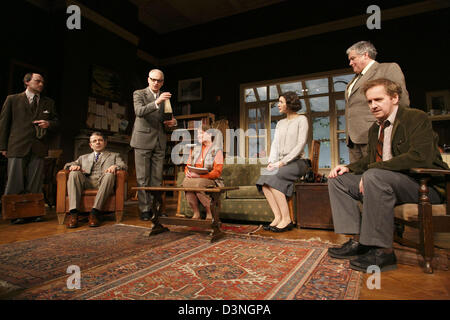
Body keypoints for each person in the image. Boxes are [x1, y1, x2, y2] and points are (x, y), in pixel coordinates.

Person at [327, 78, 449, 272]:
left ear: (394, 98)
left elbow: (421, 157)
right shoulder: (376, 128)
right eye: (369, 101)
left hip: (422, 185)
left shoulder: (415, 118)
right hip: (384, 182)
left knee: (374, 175)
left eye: (378, 99)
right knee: (338, 180)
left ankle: (384, 252)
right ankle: (358, 241)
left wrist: (375, 170)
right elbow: (368, 161)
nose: (373, 105)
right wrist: (348, 167)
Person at [0, 72, 59, 224]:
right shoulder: (13, 99)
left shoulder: (48, 102)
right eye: (37, 81)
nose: (41, 84)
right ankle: (14, 214)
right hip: (17, 145)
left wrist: (49, 124)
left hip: (38, 146)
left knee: (35, 182)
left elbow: (57, 122)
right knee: (15, 181)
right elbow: (4, 124)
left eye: (42, 82)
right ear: (27, 82)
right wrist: (3, 146)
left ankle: (34, 213)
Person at [345, 40, 409, 162]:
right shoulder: (353, 80)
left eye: (353, 58)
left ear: (365, 55)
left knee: (375, 176)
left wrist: (391, 130)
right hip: (353, 139)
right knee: (355, 177)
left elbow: (402, 101)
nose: (350, 63)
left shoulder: (387, 69)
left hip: (376, 134)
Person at [256, 91, 309, 232]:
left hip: (298, 163)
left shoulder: (301, 120)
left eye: (281, 102)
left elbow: (300, 144)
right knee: (263, 178)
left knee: (274, 177)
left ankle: (287, 219)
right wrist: (271, 162)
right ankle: (278, 217)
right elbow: (275, 144)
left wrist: (282, 162)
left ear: (290, 103)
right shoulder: (280, 123)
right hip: (281, 162)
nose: (278, 105)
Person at [131, 69, 177, 221]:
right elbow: (139, 111)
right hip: (142, 140)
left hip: (159, 140)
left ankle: (156, 208)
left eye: (159, 81)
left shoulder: (165, 97)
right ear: (148, 79)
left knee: (157, 178)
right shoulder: (139, 94)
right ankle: (145, 209)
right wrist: (157, 101)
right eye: (153, 80)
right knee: (143, 178)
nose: (156, 83)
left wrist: (173, 123)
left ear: (162, 82)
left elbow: (167, 119)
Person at [64, 132, 127, 228]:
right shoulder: (83, 157)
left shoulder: (114, 155)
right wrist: (73, 166)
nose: (98, 142)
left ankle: (94, 213)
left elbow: (124, 166)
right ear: (91, 145)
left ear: (105, 143)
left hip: (104, 182)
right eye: (94, 141)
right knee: (73, 173)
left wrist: (115, 166)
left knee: (110, 175)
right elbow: (68, 165)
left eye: (100, 140)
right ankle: (73, 214)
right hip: (86, 182)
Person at [182, 125, 224, 219]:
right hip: (195, 178)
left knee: (198, 183)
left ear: (209, 134)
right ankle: (196, 212)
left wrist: (200, 176)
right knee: (185, 182)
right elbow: (187, 166)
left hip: (211, 179)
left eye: (201, 133)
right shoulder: (195, 149)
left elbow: (217, 172)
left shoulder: (217, 150)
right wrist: (187, 172)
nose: (198, 136)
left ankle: (209, 212)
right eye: (197, 134)